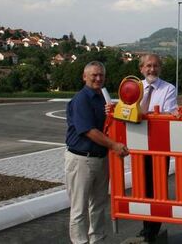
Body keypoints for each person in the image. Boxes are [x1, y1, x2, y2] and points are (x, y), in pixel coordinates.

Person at [65, 61, 129, 244]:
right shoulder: (81, 100)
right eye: (94, 75)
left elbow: (109, 124)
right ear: (84, 77)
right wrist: (114, 145)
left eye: (101, 75)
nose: (98, 78)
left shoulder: (103, 97)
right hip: (81, 159)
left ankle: (97, 240)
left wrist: (114, 111)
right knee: (79, 208)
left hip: (100, 158)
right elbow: (88, 130)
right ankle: (80, 242)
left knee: (98, 205)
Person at [136, 54, 177, 243]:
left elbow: (166, 115)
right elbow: (128, 110)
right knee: (143, 188)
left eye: (155, 66)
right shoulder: (134, 88)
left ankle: (154, 228)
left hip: (159, 146)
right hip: (139, 146)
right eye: (148, 66)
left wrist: (145, 115)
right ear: (141, 69)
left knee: (157, 188)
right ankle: (146, 226)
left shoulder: (168, 88)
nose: (152, 69)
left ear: (160, 68)